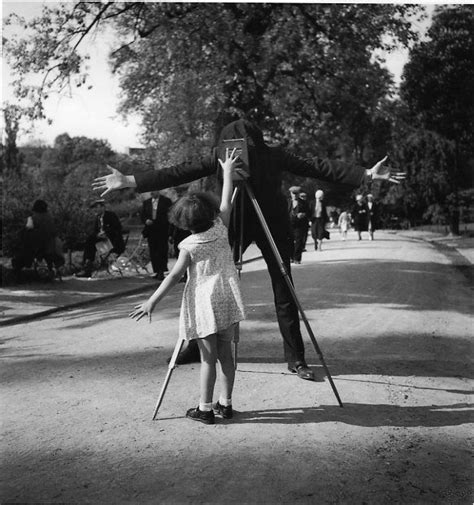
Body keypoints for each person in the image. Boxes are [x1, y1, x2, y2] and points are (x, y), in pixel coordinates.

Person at [93, 119, 404, 380]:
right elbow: (178, 172)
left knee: (284, 288)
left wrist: (364, 174)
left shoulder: (272, 155)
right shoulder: (218, 155)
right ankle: (192, 344)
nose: (242, 156)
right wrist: (129, 180)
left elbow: (316, 165)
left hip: (271, 222)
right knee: (201, 281)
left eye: (248, 150)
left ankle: (296, 358)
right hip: (233, 220)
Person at [130, 148, 245, 424]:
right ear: (210, 213)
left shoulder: (188, 245)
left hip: (204, 305)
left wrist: (151, 302)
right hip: (228, 298)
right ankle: (225, 403)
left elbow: (171, 277)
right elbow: (227, 202)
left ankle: (205, 409)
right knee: (226, 356)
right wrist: (228, 172)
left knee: (208, 359)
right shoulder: (221, 229)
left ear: (183, 222)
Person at [12, 199, 64, 279]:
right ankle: (51, 270)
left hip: (37, 248)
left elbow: (26, 231)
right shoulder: (50, 218)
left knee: (22, 251)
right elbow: (54, 232)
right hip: (51, 247)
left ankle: (17, 273)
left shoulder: (33, 218)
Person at [76, 199, 125, 277]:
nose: (95, 209)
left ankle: (87, 267)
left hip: (113, 243)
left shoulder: (111, 215)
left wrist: (106, 233)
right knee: (90, 242)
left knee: (89, 242)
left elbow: (117, 228)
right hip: (102, 242)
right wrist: (98, 235)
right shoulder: (98, 218)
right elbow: (95, 231)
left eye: (97, 207)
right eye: (94, 208)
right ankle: (87, 267)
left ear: (103, 207)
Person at [141, 191, 172, 280]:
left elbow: (170, 215)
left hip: (162, 229)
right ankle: (156, 270)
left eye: (154, 191)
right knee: (153, 250)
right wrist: (146, 220)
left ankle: (162, 271)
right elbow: (143, 215)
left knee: (162, 250)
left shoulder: (166, 201)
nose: (152, 193)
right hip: (151, 230)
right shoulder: (146, 202)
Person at [288, 186, 310, 264]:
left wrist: (304, 214)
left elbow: (309, 213)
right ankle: (290, 257)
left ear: (298, 193)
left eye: (296, 194)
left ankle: (297, 258)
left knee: (299, 241)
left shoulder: (304, 203)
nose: (294, 195)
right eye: (293, 194)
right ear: (290, 194)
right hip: (289, 224)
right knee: (289, 241)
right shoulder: (287, 202)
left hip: (300, 225)